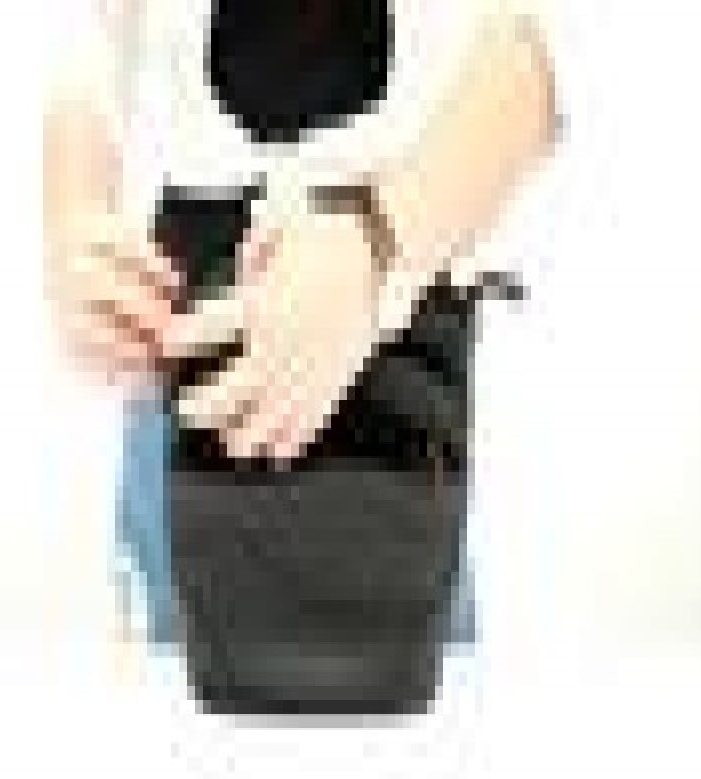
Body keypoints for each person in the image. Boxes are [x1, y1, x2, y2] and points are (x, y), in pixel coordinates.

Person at [44, 0, 556, 705]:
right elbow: (89, 39)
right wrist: (75, 222)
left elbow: (563, 39)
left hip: (389, 388)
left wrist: (379, 240)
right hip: (200, 392)